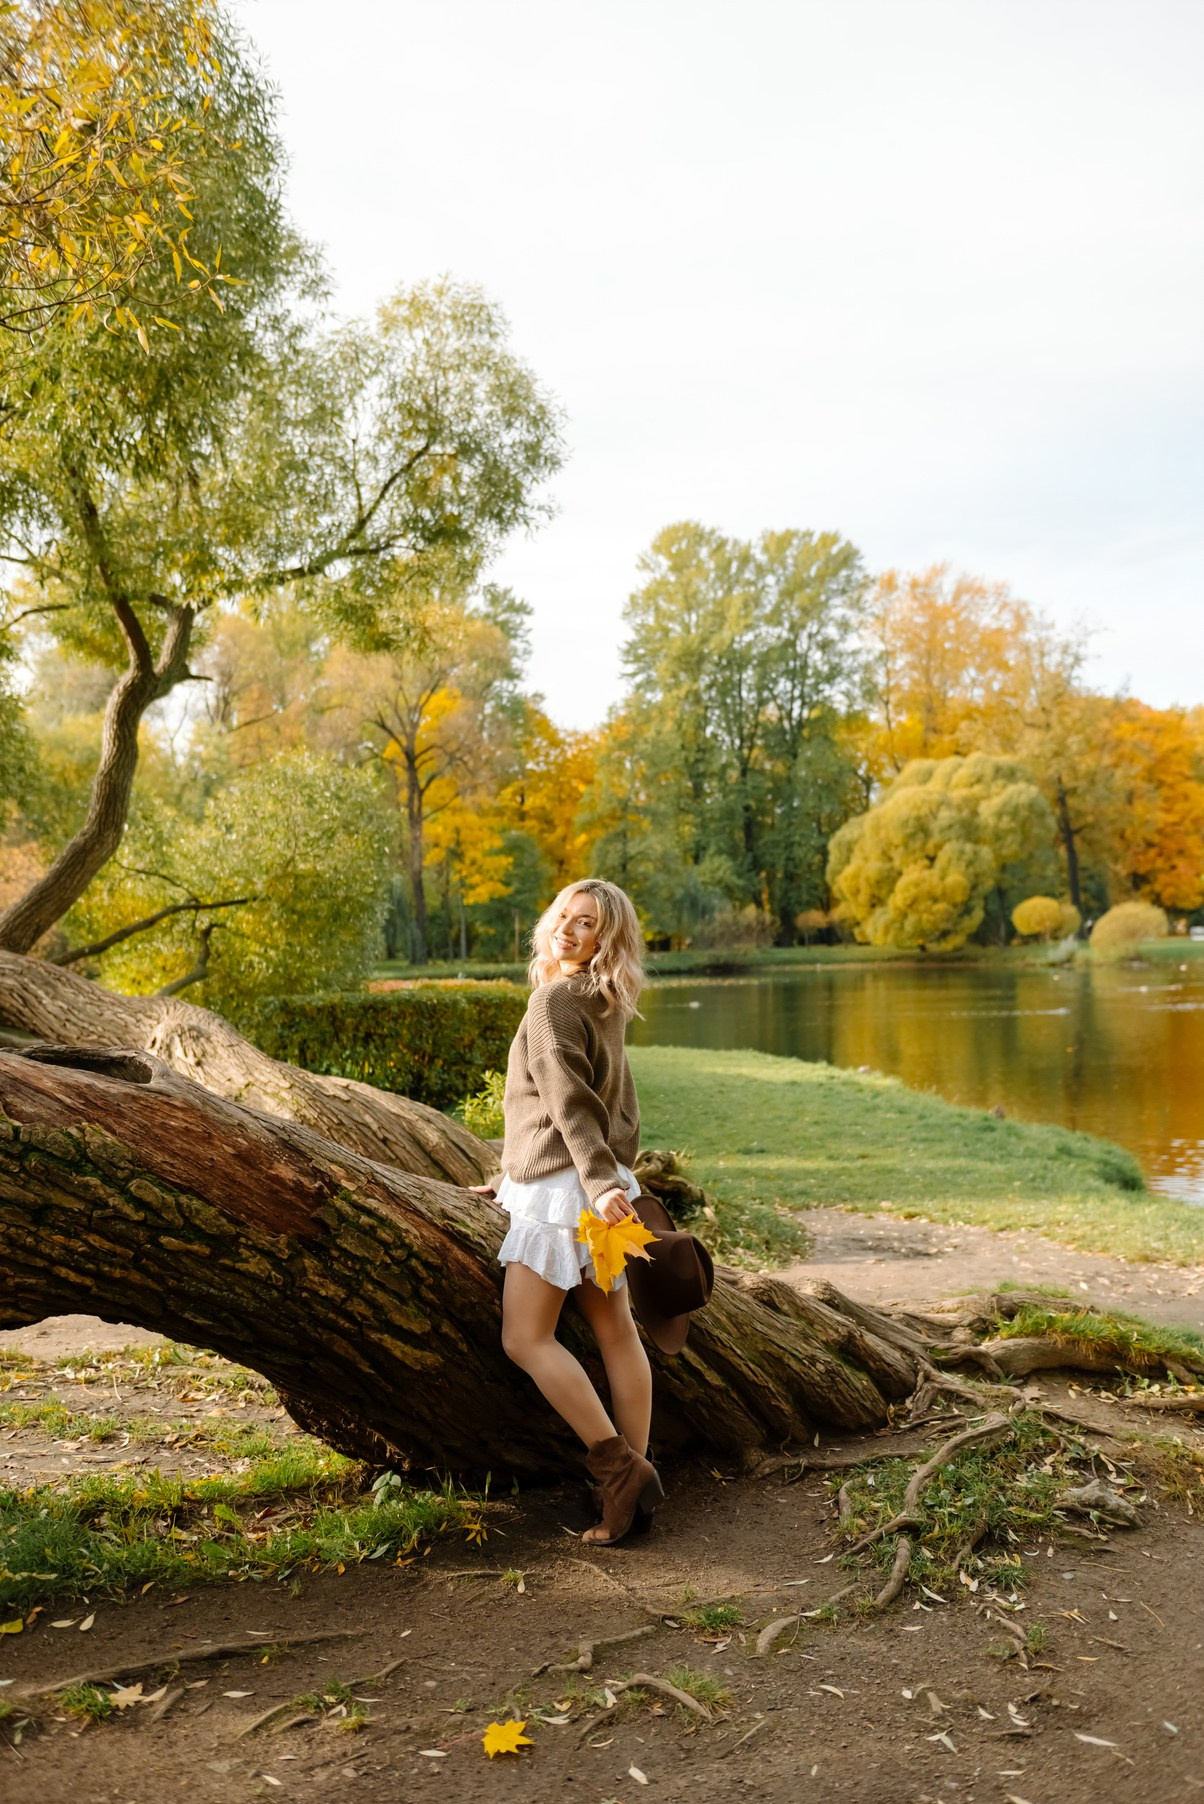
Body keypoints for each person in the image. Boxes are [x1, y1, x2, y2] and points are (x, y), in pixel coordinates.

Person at [475, 877, 662, 1546]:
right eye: (564, 915)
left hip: (570, 1193)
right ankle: (636, 1480)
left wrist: (590, 1179)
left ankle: (618, 1475)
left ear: (606, 940)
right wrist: (515, 1177)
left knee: (524, 1337)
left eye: (587, 925)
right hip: (588, 1185)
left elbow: (570, 1107)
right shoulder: (603, 998)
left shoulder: (556, 998)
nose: (569, 930)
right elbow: (618, 1109)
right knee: (616, 1331)